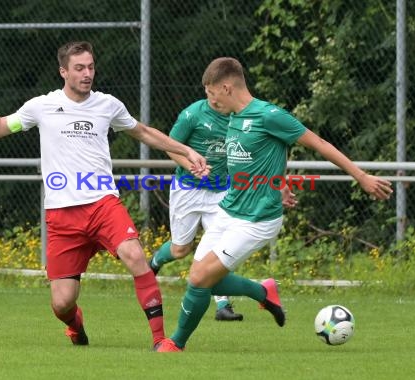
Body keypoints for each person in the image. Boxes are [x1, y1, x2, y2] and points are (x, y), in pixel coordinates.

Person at [0, 41, 209, 349]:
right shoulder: (41, 106)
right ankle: (75, 325)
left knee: (136, 256)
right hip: (62, 214)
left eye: (91, 67)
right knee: (62, 303)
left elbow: (145, 133)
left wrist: (186, 150)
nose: (87, 74)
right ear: (64, 72)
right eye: (80, 68)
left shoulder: (108, 104)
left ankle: (161, 341)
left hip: (102, 204)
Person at [155, 57, 393, 352]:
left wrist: (360, 176)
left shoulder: (270, 115)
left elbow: (320, 144)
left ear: (226, 87)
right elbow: (263, 157)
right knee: (203, 280)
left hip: (257, 219)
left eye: (212, 93)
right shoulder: (233, 118)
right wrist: (279, 183)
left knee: (200, 277)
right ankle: (262, 291)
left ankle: (175, 343)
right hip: (229, 210)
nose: (210, 100)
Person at [149, 99, 298, 321]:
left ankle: (223, 306)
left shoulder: (240, 116)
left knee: (218, 251)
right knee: (181, 250)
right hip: (187, 189)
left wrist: (280, 182)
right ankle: (153, 264)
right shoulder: (192, 115)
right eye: (209, 92)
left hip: (222, 191)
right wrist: (192, 166)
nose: (214, 97)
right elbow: (172, 146)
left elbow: (269, 149)